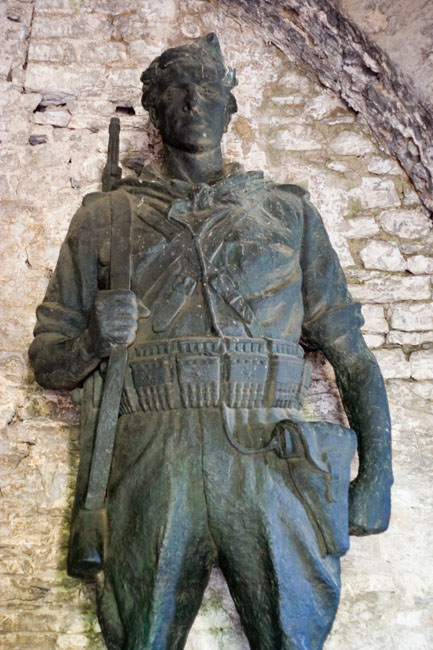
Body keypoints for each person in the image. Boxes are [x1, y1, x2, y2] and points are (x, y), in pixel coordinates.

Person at [29, 33, 393, 650]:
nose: (194, 100)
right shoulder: (104, 218)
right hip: (152, 453)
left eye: (209, 88)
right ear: (155, 108)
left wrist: (376, 477)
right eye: (177, 89)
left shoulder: (288, 214)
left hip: (270, 452)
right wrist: (92, 339)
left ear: (231, 105)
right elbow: (48, 358)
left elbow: (352, 357)